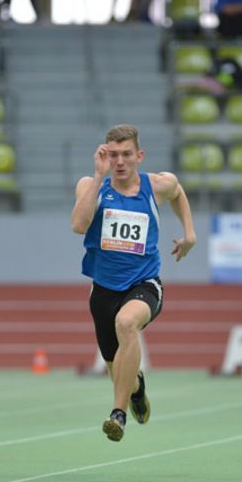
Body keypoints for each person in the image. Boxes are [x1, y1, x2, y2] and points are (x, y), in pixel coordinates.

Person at [71, 124, 196, 442]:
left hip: (145, 283)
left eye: (126, 154)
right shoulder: (90, 185)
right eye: (113, 155)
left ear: (139, 156)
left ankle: (118, 414)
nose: (120, 161)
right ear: (104, 155)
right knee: (117, 371)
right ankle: (137, 390)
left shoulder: (157, 186)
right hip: (103, 290)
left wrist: (189, 235)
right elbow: (78, 225)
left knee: (127, 323)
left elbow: (178, 193)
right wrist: (98, 178)